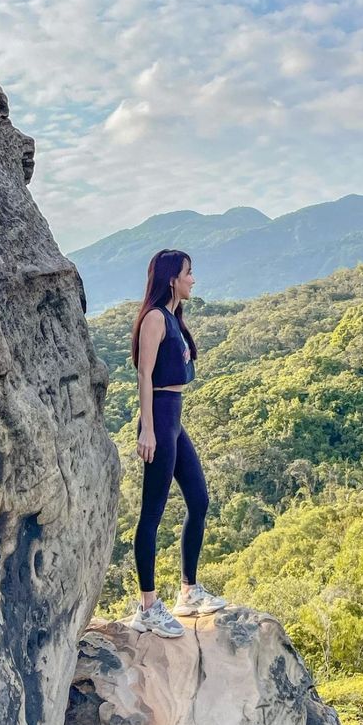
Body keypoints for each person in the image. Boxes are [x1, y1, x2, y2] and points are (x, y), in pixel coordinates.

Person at [129, 249, 227, 638]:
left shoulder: (173, 317)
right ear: (172, 278)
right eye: (189, 273)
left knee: (199, 500)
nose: (193, 279)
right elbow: (144, 376)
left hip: (175, 417)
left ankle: (188, 590)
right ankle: (148, 606)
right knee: (150, 514)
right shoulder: (155, 319)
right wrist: (147, 430)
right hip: (160, 418)